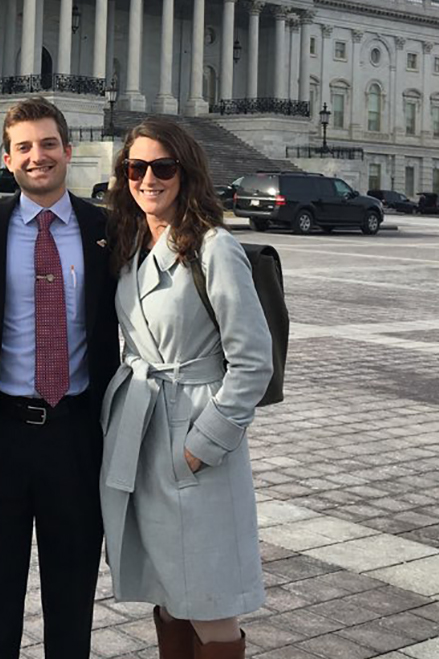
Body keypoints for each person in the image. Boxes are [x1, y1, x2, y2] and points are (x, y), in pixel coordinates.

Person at [99, 116, 272, 659]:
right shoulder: (131, 244)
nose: (148, 178)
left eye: (162, 167)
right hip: (143, 430)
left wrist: (204, 444)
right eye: (136, 167)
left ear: (186, 171)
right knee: (169, 591)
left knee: (211, 602)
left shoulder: (215, 247)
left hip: (193, 431)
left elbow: (253, 361)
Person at [0, 98, 119, 659]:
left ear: (68, 151)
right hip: (0, 433)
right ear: (7, 159)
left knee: (72, 592)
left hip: (76, 433)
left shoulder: (109, 230)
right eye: (24, 147)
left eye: (48, 144)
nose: (38, 157)